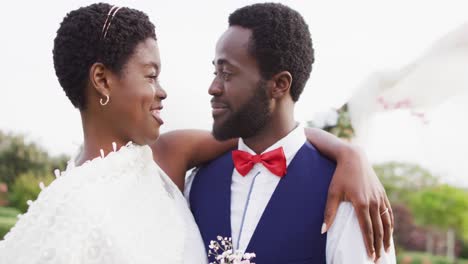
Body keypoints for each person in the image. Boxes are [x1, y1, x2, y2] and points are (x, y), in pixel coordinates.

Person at [0, 3, 391, 263]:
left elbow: (269, 135)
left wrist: (349, 154)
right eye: (151, 75)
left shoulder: (168, 155)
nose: (163, 89)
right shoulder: (66, 209)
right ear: (101, 79)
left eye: (226, 72)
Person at [186, 3, 396, 263]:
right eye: (215, 72)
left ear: (279, 85)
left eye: (227, 73)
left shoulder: (348, 194)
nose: (213, 87)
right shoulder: (196, 180)